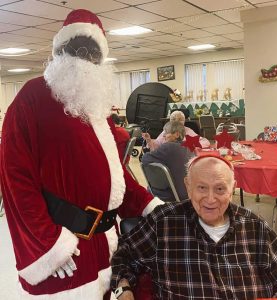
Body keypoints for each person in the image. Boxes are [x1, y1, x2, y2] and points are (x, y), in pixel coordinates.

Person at [0, 9, 163, 300]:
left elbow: (116, 174)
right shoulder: (33, 96)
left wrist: (150, 205)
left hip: (105, 243)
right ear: (58, 51)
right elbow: (15, 177)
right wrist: (48, 242)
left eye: (92, 51)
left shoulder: (97, 106)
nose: (83, 57)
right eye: (74, 47)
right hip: (65, 248)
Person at [111, 154, 277, 299]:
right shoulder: (163, 222)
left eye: (220, 189)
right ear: (188, 185)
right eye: (201, 188)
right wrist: (124, 289)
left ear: (232, 188)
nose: (210, 200)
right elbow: (122, 256)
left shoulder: (254, 227)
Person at [141, 121, 194, 201]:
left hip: (171, 195)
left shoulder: (168, 147)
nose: (164, 135)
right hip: (188, 194)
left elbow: (144, 158)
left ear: (176, 134)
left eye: (166, 133)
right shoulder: (190, 146)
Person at [143, 110, 210, 151]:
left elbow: (205, 142)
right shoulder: (166, 131)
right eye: (174, 121)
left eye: (180, 121)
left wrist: (190, 146)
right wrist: (149, 140)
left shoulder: (187, 131)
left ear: (183, 122)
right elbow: (156, 145)